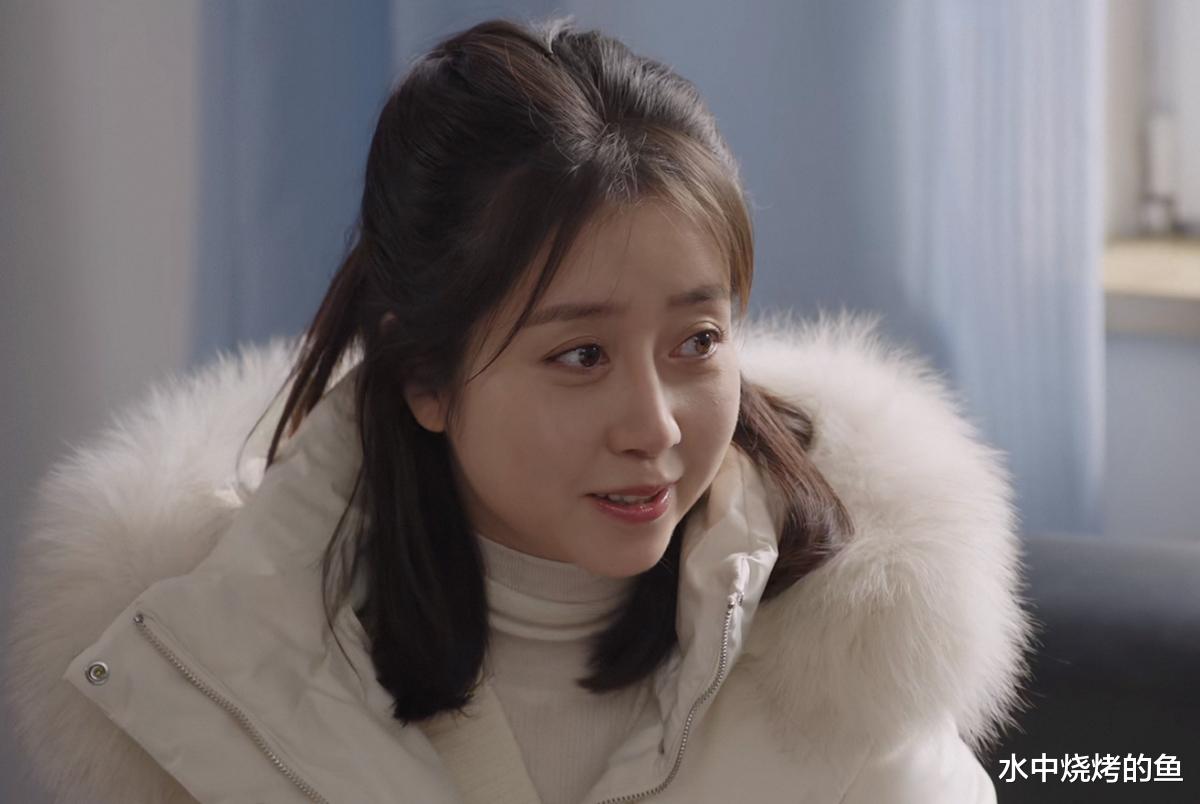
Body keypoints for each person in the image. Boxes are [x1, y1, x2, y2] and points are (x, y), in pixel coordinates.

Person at [3, 15, 1034, 804]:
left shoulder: (845, 652)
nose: (655, 426)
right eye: (581, 355)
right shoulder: (209, 679)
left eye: (697, 342)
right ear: (427, 378)